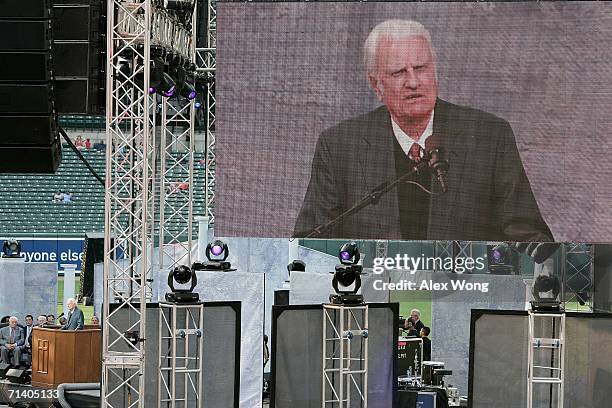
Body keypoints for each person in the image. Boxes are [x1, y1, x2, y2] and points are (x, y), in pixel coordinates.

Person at [294, 19, 552, 241]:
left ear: (435, 71)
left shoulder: (489, 136)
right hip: (374, 296)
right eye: (398, 72)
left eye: (421, 68)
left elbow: (527, 236)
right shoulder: (340, 145)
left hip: (465, 293)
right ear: (376, 85)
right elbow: (311, 239)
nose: (414, 82)